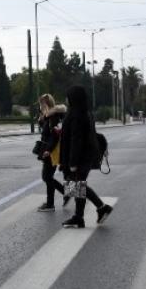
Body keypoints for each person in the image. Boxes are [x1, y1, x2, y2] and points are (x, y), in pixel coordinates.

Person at [59, 85, 113, 228]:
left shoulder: (77, 114)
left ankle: (100, 208)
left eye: (68, 96)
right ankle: (82, 215)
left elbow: (76, 139)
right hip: (84, 156)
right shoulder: (83, 112)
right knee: (76, 186)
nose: (66, 99)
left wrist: (73, 162)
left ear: (74, 98)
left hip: (80, 158)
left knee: (77, 185)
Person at [37, 94, 69, 212]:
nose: (40, 106)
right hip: (57, 151)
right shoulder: (50, 116)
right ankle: (59, 199)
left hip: (54, 151)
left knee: (47, 176)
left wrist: (48, 150)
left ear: (46, 104)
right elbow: (48, 131)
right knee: (48, 176)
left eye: (41, 104)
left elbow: (54, 136)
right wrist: (42, 118)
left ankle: (63, 196)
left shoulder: (54, 117)